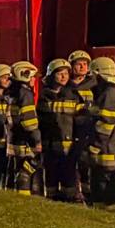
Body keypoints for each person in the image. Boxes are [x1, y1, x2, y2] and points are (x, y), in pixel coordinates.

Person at [85, 57, 115, 212]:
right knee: (107, 184)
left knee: (105, 186)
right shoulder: (111, 94)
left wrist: (94, 147)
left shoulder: (107, 95)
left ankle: (110, 215)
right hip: (111, 148)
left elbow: (106, 125)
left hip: (105, 150)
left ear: (99, 76)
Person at [38, 59, 79, 202]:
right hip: (49, 145)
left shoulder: (73, 95)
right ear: (51, 75)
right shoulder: (44, 96)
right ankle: (51, 201)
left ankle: (70, 201)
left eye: (66, 73)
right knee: (50, 178)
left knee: (69, 178)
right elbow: (40, 122)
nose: (63, 76)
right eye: (60, 73)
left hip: (69, 147)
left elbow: (80, 120)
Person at [6, 61, 42, 196]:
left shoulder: (12, 93)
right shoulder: (26, 94)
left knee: (14, 171)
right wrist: (37, 141)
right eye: (32, 77)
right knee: (25, 173)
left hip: (14, 140)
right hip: (25, 141)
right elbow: (30, 122)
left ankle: (11, 196)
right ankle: (23, 199)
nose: (34, 80)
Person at [67, 50, 96, 203]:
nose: (83, 67)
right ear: (71, 66)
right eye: (79, 64)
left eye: (85, 64)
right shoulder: (65, 86)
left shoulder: (94, 85)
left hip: (86, 132)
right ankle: (73, 195)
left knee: (85, 165)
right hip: (69, 131)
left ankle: (87, 195)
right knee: (70, 165)